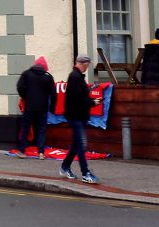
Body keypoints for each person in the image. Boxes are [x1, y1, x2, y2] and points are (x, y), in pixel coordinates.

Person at [59, 55, 98, 184]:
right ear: (84, 63)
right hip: (76, 115)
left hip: (77, 115)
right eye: (88, 64)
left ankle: (65, 167)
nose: (88, 67)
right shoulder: (75, 77)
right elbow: (78, 99)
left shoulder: (77, 77)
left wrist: (91, 101)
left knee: (77, 144)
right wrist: (92, 102)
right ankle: (85, 173)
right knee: (81, 144)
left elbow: (80, 97)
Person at [10, 56, 52, 159]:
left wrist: (25, 96)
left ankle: (22, 150)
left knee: (25, 128)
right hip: (42, 107)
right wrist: (53, 107)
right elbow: (53, 93)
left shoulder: (27, 74)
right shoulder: (48, 76)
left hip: (29, 106)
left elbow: (19, 86)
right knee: (41, 129)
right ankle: (41, 152)